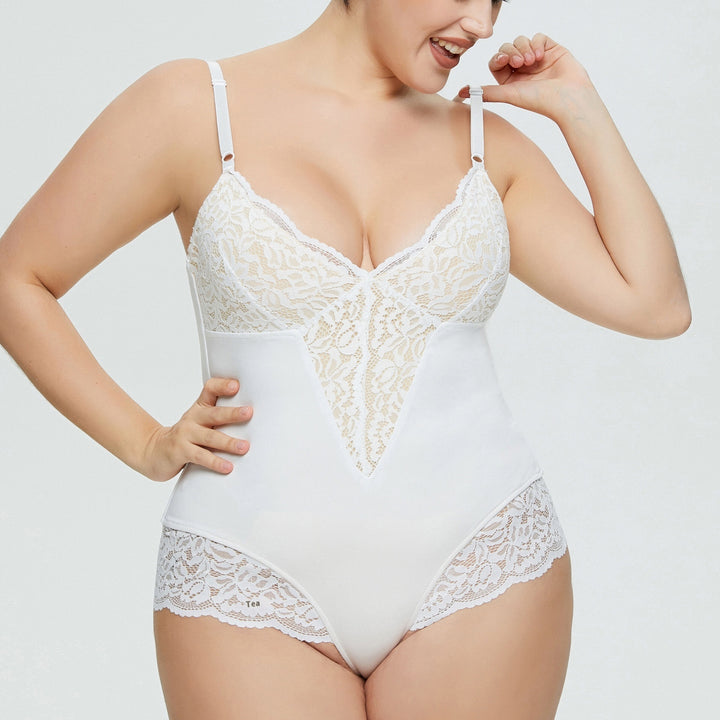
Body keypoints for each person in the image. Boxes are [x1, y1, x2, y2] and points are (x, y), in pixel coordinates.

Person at [0, 0, 691, 718]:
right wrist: (143, 443)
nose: (482, 24)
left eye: (495, 0)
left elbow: (654, 304)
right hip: (244, 575)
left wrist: (580, 109)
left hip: (485, 561)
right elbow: (17, 278)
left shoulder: (484, 142)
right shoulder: (194, 107)